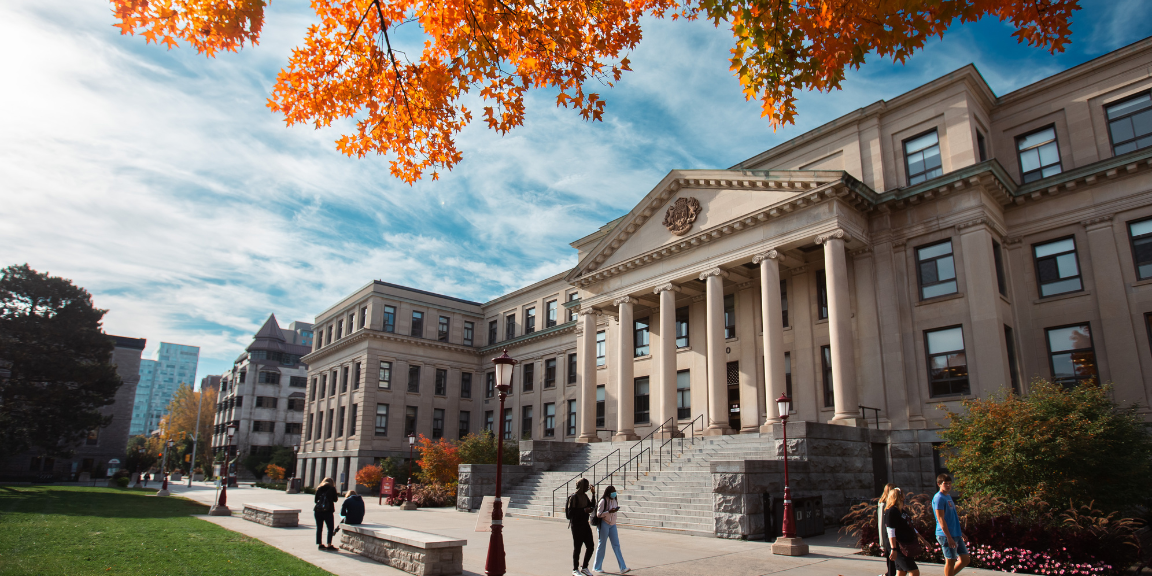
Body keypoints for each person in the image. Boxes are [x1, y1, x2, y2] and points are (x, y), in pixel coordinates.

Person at [934, 474, 969, 576]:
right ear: (939, 484)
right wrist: (948, 537)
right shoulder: (939, 498)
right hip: (946, 535)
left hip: (955, 533)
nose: (948, 486)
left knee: (965, 559)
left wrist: (960, 532)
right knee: (950, 561)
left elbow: (952, 517)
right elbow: (941, 519)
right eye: (945, 484)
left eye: (949, 483)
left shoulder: (948, 497)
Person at [592, 484, 629, 574]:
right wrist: (609, 512)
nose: (614, 493)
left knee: (616, 545)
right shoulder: (603, 501)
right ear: (608, 493)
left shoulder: (614, 500)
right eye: (612, 491)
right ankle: (597, 567)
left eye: (614, 491)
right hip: (604, 524)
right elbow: (599, 514)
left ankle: (623, 567)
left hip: (613, 525)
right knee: (602, 545)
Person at [885, 488, 920, 576]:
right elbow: (891, 531)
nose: (904, 496)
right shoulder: (891, 511)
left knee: (901, 572)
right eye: (902, 494)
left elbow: (911, 527)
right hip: (898, 546)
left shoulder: (902, 511)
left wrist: (923, 540)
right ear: (898, 496)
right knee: (914, 571)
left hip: (905, 546)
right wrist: (893, 549)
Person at [565, 478, 595, 576]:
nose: (587, 488)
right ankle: (575, 569)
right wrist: (583, 510)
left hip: (585, 524)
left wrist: (593, 494)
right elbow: (570, 514)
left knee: (590, 546)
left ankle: (585, 567)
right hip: (576, 525)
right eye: (586, 486)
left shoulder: (585, 496)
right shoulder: (574, 497)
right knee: (577, 547)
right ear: (582, 486)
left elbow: (592, 505)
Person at [314, 477, 341, 551]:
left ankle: (320, 544)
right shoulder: (332, 489)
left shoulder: (319, 488)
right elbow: (335, 500)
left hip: (318, 511)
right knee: (330, 528)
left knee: (319, 528)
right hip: (328, 511)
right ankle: (329, 544)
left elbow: (316, 500)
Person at [877, 483, 896, 576]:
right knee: (891, 559)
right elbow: (882, 522)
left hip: (891, 535)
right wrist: (883, 541)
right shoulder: (884, 504)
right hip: (888, 535)